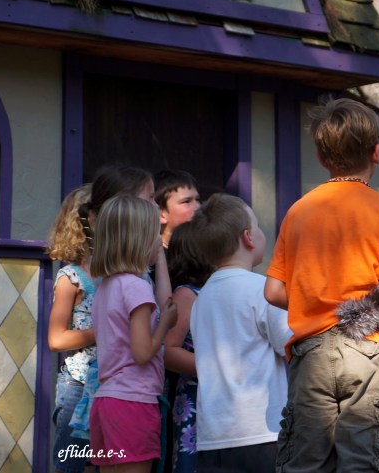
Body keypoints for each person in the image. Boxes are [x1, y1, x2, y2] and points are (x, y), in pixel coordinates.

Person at [264, 96, 379, 473]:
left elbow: (273, 291)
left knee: (306, 463)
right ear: (375, 152)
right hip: (369, 351)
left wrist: (312, 299)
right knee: (367, 463)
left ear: (321, 157)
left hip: (311, 356)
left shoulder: (298, 212)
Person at [190, 193, 290, 473]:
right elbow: (291, 345)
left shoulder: (202, 298)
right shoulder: (261, 290)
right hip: (262, 432)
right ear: (248, 237)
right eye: (257, 225)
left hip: (212, 436)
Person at [89, 195, 178, 471]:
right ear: (138, 240)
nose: (159, 241)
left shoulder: (105, 287)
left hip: (106, 401)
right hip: (133, 402)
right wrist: (165, 323)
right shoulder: (137, 287)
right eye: (154, 234)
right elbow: (142, 353)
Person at [47, 184, 96, 473]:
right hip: (78, 385)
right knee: (72, 466)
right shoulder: (71, 277)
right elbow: (56, 339)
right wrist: (101, 332)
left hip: (110, 384)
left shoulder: (115, 273)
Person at [164, 219, 214, 473]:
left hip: (216, 395)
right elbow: (168, 350)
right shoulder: (187, 294)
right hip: (196, 396)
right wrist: (214, 369)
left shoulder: (211, 290)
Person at [154, 169, 201, 250]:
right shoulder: (154, 255)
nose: (198, 207)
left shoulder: (205, 249)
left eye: (197, 199)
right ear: (161, 214)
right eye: (186, 201)